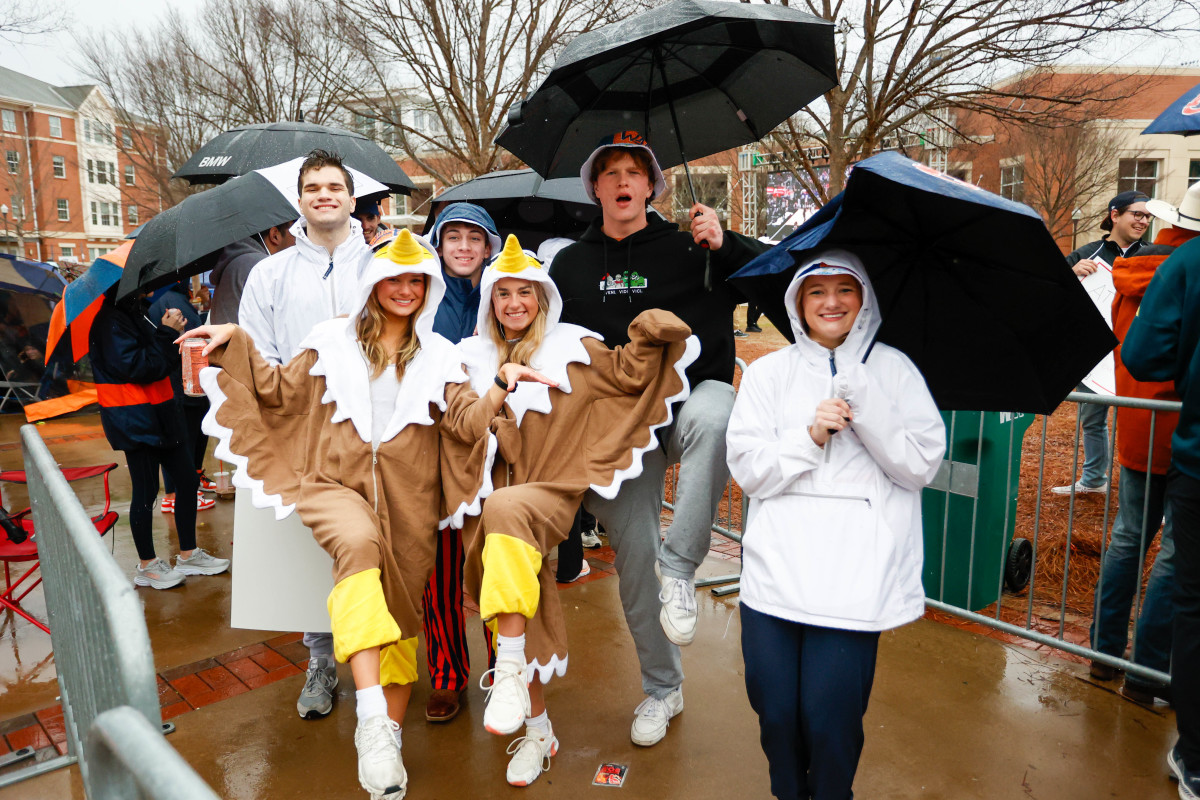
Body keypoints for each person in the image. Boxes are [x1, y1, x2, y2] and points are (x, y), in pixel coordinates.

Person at [184, 229, 506, 800]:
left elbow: (463, 424)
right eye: (393, 279)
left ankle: (385, 741)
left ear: (428, 288)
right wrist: (236, 339)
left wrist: (500, 387)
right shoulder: (330, 342)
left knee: (402, 620)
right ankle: (369, 716)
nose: (405, 290)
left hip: (412, 503)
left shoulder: (440, 357)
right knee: (357, 546)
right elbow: (276, 389)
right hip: (334, 486)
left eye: (416, 281)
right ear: (373, 284)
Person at [444, 234, 697, 787]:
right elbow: (459, 426)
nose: (514, 303)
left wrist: (652, 324)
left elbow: (629, 374)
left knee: (521, 529)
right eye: (503, 293)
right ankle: (537, 730)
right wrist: (497, 390)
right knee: (515, 610)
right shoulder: (468, 359)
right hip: (491, 504)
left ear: (543, 299)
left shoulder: (573, 348)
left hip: (553, 491)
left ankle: (515, 675)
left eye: (525, 293)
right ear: (489, 301)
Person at [548, 130, 767, 746]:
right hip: (619, 426)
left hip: (693, 402)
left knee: (718, 412)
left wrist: (726, 247)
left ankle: (684, 565)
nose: (622, 182)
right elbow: (551, 343)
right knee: (633, 556)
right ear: (595, 187)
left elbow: (773, 288)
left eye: (634, 172)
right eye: (610, 172)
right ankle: (663, 689)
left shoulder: (691, 244)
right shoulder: (571, 265)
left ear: (652, 185)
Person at [726, 252, 945, 800]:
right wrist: (810, 435)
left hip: (853, 580)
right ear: (797, 302)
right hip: (776, 573)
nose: (830, 301)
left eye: (843, 289)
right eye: (816, 289)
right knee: (775, 715)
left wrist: (867, 407)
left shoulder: (894, 370)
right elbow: (750, 470)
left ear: (863, 298)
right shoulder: (770, 373)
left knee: (829, 723)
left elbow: (920, 465)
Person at [238, 148, 372, 721]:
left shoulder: (382, 266)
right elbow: (255, 354)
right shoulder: (269, 274)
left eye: (334, 186)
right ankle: (320, 660)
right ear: (300, 200)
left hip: (374, 430)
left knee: (373, 543)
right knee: (309, 551)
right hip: (303, 432)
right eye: (313, 187)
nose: (324, 195)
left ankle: (379, 655)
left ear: (351, 197)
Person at [1089, 185, 1200, 703]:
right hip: (1181, 429)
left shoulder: (1129, 273)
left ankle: (1103, 655)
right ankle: (1147, 674)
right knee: (1175, 555)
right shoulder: (1187, 273)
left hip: (1137, 423)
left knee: (1130, 539)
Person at [1122, 182, 1200, 800]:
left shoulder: (1158, 267)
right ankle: (1142, 667)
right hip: (1168, 437)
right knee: (1170, 563)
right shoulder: (1171, 266)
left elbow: (1141, 353)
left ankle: (1123, 663)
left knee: (1143, 550)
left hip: (1158, 434)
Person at [419, 201, 502, 724]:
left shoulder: (505, 293)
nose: (465, 247)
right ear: (440, 243)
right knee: (441, 571)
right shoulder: (420, 293)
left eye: (475, 238)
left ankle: (504, 670)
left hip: (492, 445)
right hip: (433, 445)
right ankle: (448, 676)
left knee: (495, 565)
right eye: (455, 238)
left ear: (489, 245)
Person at [88, 291, 231, 590]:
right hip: (135, 418)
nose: (146, 287)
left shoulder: (133, 312)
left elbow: (156, 361)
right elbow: (142, 367)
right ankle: (147, 565)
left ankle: (189, 554)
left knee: (186, 481)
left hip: (162, 413)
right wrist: (168, 332)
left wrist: (168, 333)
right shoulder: (109, 321)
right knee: (146, 490)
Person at [1053, 190, 1151, 496]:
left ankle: (1150, 494)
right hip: (1097, 356)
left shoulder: (1152, 255)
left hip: (1139, 353)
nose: (1143, 221)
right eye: (1137, 213)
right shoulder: (1088, 252)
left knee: (1145, 422)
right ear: (1115, 215)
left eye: (1148, 216)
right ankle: (1094, 480)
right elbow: (1052, 290)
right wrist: (1070, 274)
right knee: (1092, 418)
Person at [148, 281, 218, 511]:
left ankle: (177, 491)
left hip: (175, 381)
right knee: (183, 440)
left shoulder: (165, 298)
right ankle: (179, 494)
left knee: (181, 438)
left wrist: (200, 302)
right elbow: (197, 335)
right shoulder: (172, 299)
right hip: (183, 382)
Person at [208, 222, 296, 326]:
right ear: (275, 235)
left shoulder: (237, 261)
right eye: (294, 232)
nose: (297, 240)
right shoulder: (262, 266)